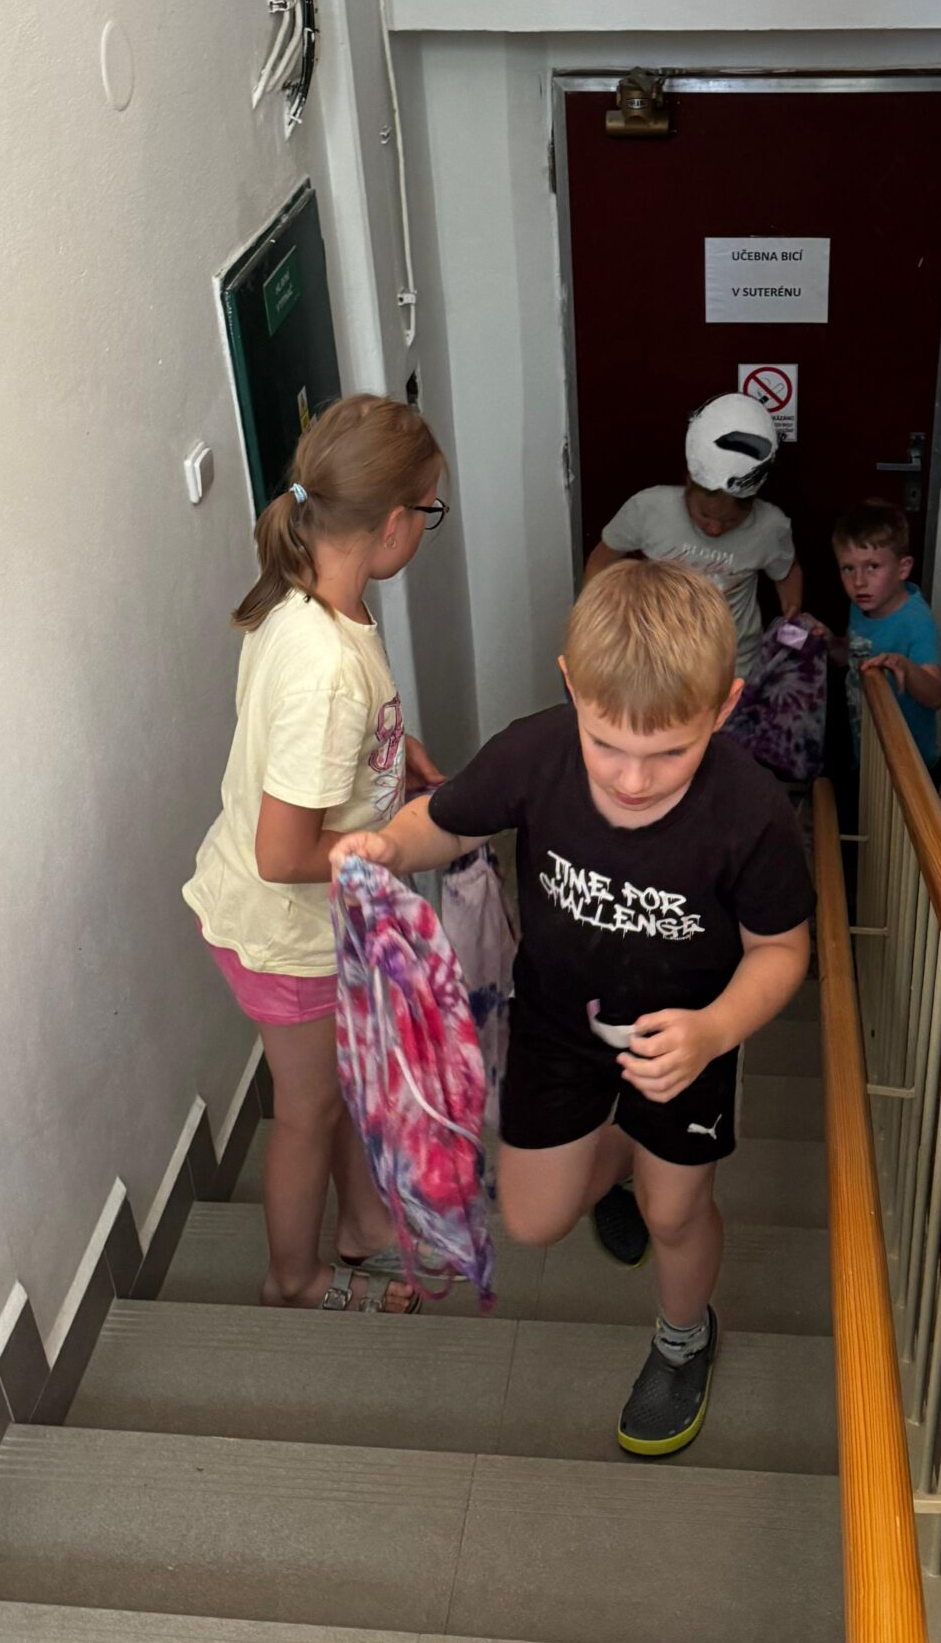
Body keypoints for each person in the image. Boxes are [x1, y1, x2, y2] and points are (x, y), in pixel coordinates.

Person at [334, 561, 812, 1456]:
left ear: (724, 707)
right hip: (557, 1025)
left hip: (686, 1044)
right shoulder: (537, 751)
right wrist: (390, 844)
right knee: (533, 1220)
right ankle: (623, 1156)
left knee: (674, 1215)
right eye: (608, 745)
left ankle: (684, 1338)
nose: (634, 779)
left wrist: (714, 1030)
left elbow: (782, 952)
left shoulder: (752, 815)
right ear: (571, 689)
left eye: (669, 753)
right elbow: (450, 818)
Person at [184, 394, 450, 1314]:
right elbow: (282, 851)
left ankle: (364, 1226)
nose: (427, 527)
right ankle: (292, 1277)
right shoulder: (328, 671)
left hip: (300, 921)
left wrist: (392, 752)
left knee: (341, 1081)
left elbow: (317, 748)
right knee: (308, 1111)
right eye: (429, 511)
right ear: (392, 525)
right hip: (288, 934)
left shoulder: (303, 594)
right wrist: (393, 844)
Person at [585, 391, 802, 680]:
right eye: (704, 516)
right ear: (688, 484)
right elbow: (602, 559)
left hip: (734, 666)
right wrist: (597, 618)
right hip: (659, 661)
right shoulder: (648, 509)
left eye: (730, 521)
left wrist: (792, 613)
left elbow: (786, 571)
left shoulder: (770, 527)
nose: (714, 529)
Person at [829, 498, 941, 786]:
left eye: (873, 566)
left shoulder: (916, 621)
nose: (859, 581)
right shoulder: (861, 605)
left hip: (912, 770)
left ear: (903, 568)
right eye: (848, 568)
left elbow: (936, 696)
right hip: (867, 751)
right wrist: (830, 644)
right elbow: (854, 654)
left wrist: (904, 665)